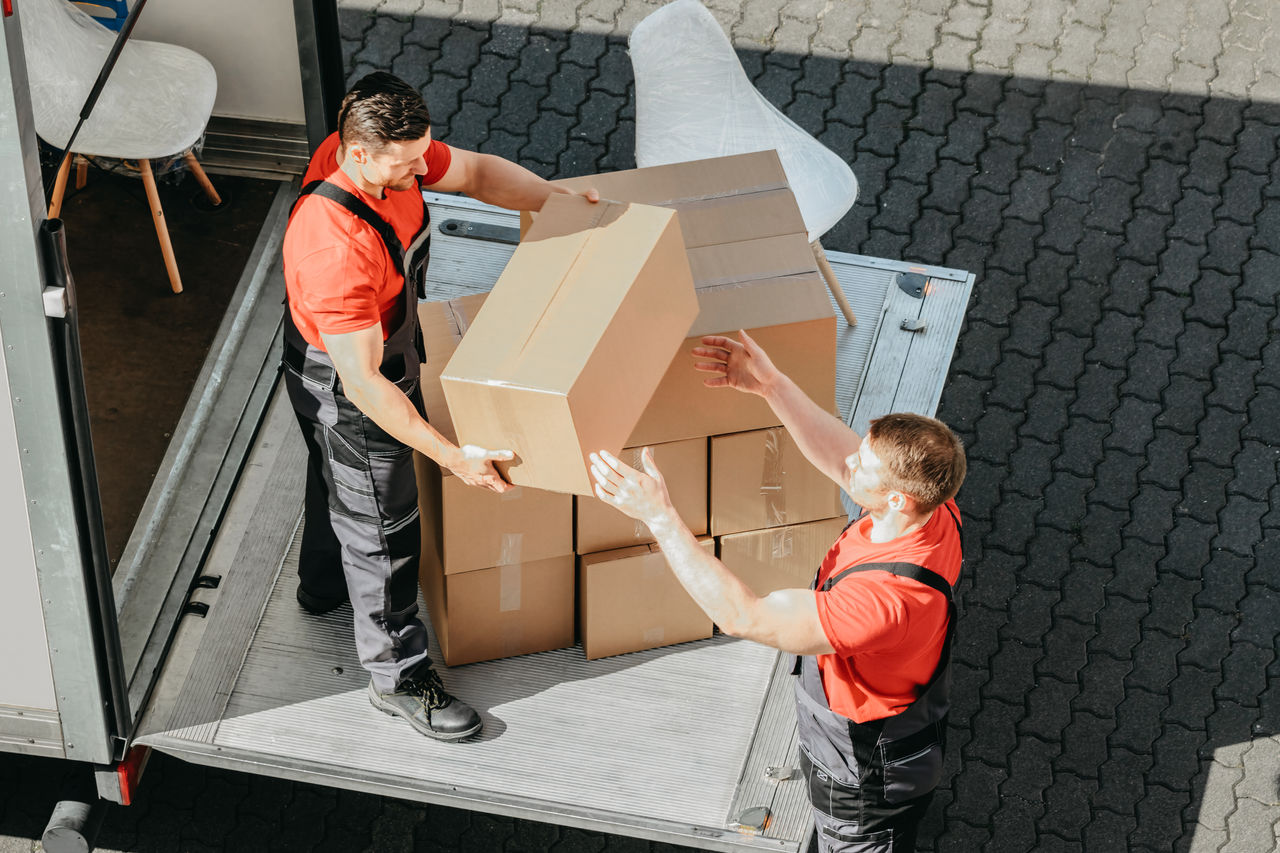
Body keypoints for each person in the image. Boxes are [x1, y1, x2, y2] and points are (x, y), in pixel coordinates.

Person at [281, 71, 596, 742]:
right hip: (351, 381)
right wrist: (453, 457)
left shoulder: (390, 156)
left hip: (364, 350)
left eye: (424, 152)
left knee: (334, 479)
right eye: (410, 162)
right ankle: (398, 676)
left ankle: (321, 584)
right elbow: (365, 385)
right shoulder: (332, 245)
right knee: (385, 527)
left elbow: (478, 172)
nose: (426, 167)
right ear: (357, 153)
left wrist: (554, 199)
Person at [589, 330, 966, 852]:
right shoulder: (934, 510)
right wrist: (772, 386)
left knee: (859, 839)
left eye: (865, 464)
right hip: (897, 729)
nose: (851, 461)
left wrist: (659, 515)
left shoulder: (883, 603)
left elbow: (745, 616)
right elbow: (842, 459)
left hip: (863, 774)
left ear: (899, 499)